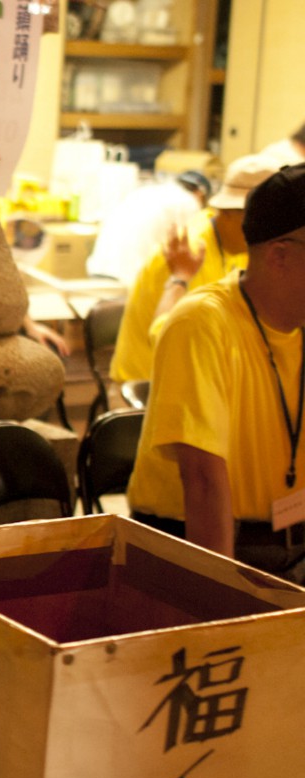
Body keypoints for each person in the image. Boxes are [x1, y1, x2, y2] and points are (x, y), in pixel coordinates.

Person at [127, 162, 305, 579]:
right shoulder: (202, 323)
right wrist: (219, 597)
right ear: (280, 255)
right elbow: (203, 482)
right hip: (204, 549)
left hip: (291, 547)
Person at [109, 154, 279, 384]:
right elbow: (170, 340)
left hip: (200, 373)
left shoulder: (245, 248)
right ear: (228, 212)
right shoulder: (188, 252)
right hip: (150, 382)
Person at [84, 169, 210, 285]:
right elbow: (191, 249)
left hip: (98, 270)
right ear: (200, 194)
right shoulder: (189, 202)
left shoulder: (144, 191)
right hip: (129, 279)